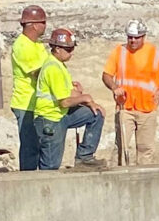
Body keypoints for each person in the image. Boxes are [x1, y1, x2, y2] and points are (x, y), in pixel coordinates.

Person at [103, 18, 159, 167]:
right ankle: (118, 176)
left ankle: (144, 177)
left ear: (143, 36)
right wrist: (114, 87)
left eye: (136, 37)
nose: (132, 41)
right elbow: (106, 75)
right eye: (130, 37)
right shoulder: (119, 52)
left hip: (148, 108)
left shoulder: (155, 53)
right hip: (125, 108)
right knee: (121, 148)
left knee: (145, 150)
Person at [32, 27, 106, 170]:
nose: (72, 52)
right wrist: (84, 98)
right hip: (49, 119)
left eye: (72, 48)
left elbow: (67, 93)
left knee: (96, 114)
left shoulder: (60, 65)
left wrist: (82, 96)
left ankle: (84, 157)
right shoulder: (52, 68)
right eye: (68, 49)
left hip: (60, 115)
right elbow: (65, 101)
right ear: (57, 48)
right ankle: (46, 182)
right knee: (51, 166)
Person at [9, 4, 50, 173]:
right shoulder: (22, 46)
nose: (45, 25)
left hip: (38, 104)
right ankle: (26, 180)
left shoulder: (37, 45)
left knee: (40, 145)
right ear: (33, 25)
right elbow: (39, 73)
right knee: (29, 147)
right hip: (25, 104)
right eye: (43, 22)